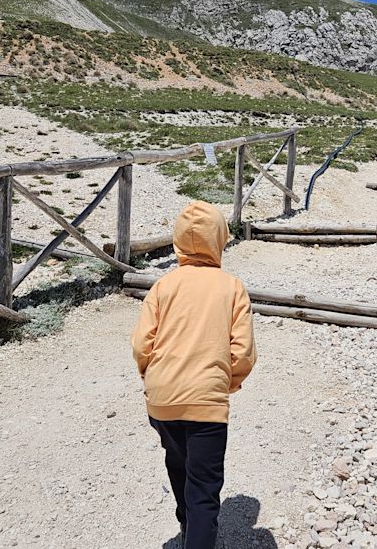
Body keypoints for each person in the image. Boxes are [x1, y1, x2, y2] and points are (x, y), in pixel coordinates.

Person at [132, 201, 256, 549]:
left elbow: (143, 343)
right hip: (206, 402)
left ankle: (186, 528)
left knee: (178, 462)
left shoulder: (163, 286)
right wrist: (225, 384)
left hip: (161, 397)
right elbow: (242, 351)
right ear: (220, 238)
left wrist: (151, 377)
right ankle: (196, 535)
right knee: (204, 489)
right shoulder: (231, 287)